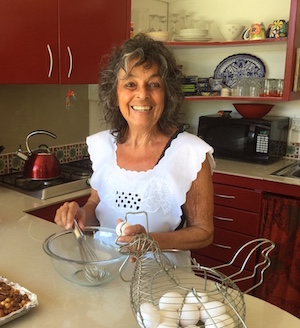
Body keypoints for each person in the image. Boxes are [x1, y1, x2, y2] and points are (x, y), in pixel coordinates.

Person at [54, 33, 215, 266]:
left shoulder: (190, 152)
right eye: (130, 84)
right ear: (115, 93)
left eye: (153, 84)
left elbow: (204, 232)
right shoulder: (102, 146)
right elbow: (95, 207)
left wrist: (151, 240)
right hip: (104, 274)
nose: (142, 94)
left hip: (162, 283)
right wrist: (80, 215)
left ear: (167, 94)